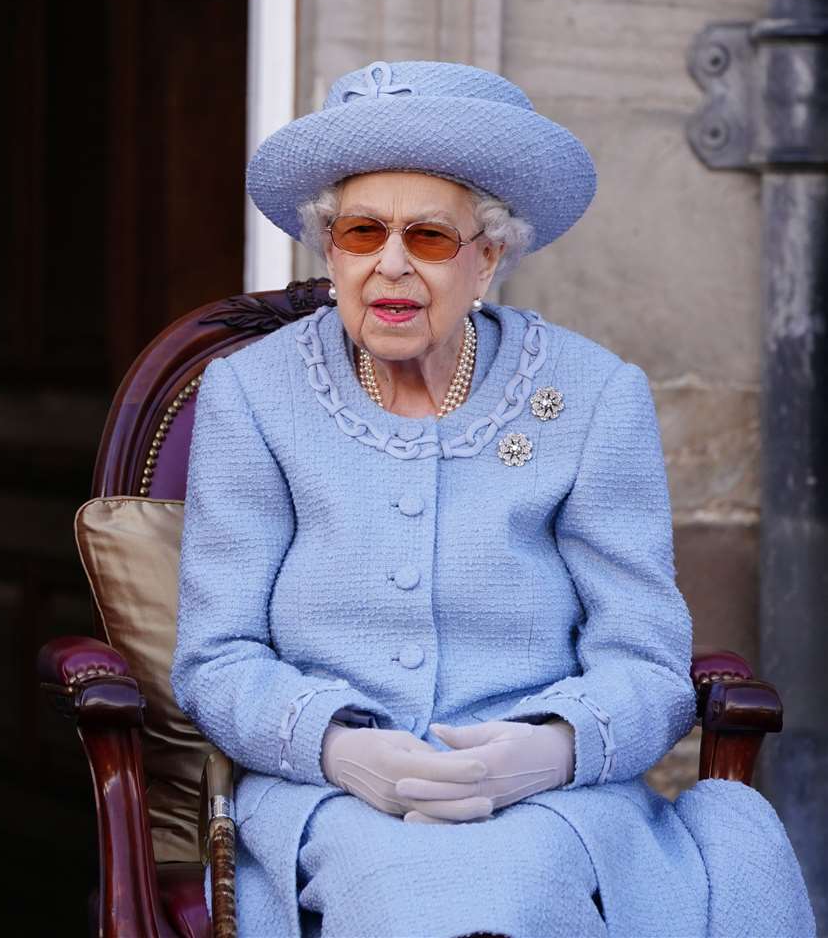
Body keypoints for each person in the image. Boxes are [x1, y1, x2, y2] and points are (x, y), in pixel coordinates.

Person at [171, 60, 811, 936]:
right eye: (362, 232)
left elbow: (650, 662)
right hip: (335, 800)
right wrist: (340, 749)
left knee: (524, 892)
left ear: (491, 257)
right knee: (395, 894)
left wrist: (550, 751)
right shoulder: (251, 395)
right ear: (331, 249)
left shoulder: (592, 397)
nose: (389, 265)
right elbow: (218, 655)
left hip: (546, 803)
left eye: (429, 238)